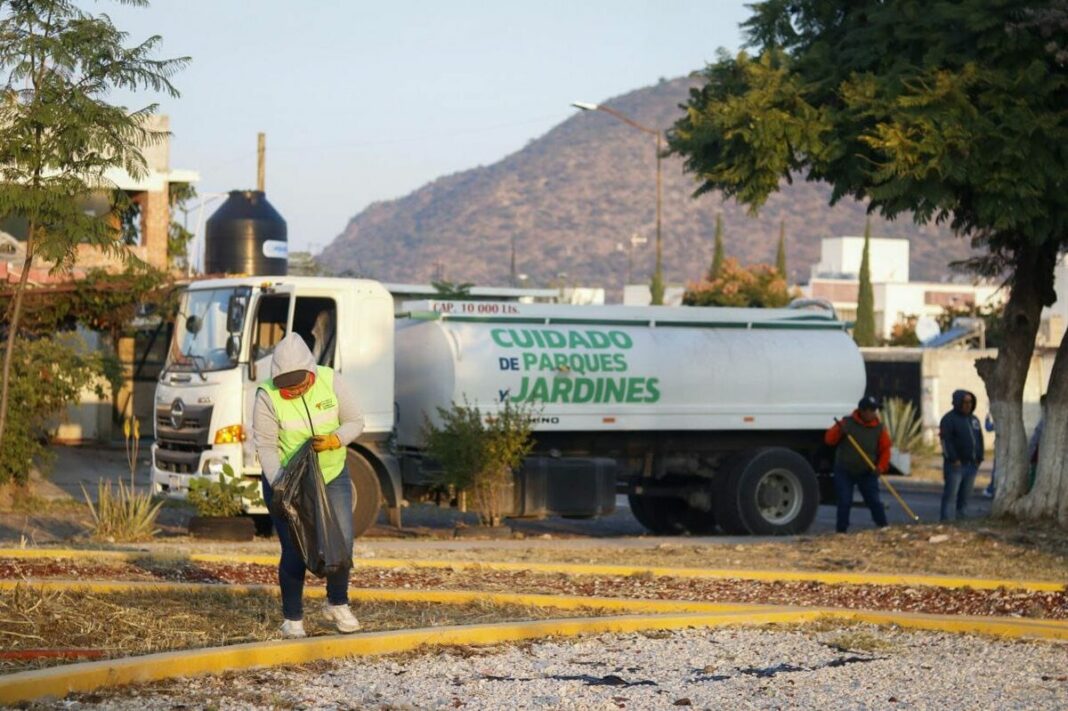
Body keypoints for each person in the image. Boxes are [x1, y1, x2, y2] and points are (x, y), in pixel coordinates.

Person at [253, 332, 365, 639]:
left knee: (340, 540)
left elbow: (355, 420)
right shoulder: (266, 394)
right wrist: (280, 485)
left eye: (300, 382)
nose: (294, 389)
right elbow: (265, 445)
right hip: (287, 481)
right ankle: (292, 619)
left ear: (311, 372)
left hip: (331, 474)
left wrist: (334, 440)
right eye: (286, 385)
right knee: (295, 548)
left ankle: (337, 603)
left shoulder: (331, 381)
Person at [824, 396, 891, 533]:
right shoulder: (846, 423)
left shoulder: (879, 428)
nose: (873, 413)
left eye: (875, 410)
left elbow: (885, 450)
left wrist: (881, 466)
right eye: (870, 410)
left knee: (874, 500)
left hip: (867, 471)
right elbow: (829, 440)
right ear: (862, 411)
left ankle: (883, 527)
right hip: (845, 470)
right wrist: (839, 431)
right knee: (844, 500)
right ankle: (841, 531)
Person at [939, 389, 983, 521]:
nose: (968, 405)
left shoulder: (974, 420)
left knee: (965, 496)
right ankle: (946, 522)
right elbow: (945, 441)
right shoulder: (948, 419)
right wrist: (953, 459)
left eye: (970, 402)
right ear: (957, 402)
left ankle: (961, 521)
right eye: (965, 402)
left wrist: (979, 458)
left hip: (972, 465)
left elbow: (979, 439)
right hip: (955, 466)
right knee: (950, 496)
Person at [983, 413, 996, 498]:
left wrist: (987, 418)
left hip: (1000, 449)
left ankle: (991, 489)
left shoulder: (999, 422)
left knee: (996, 470)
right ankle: (991, 488)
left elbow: (988, 427)